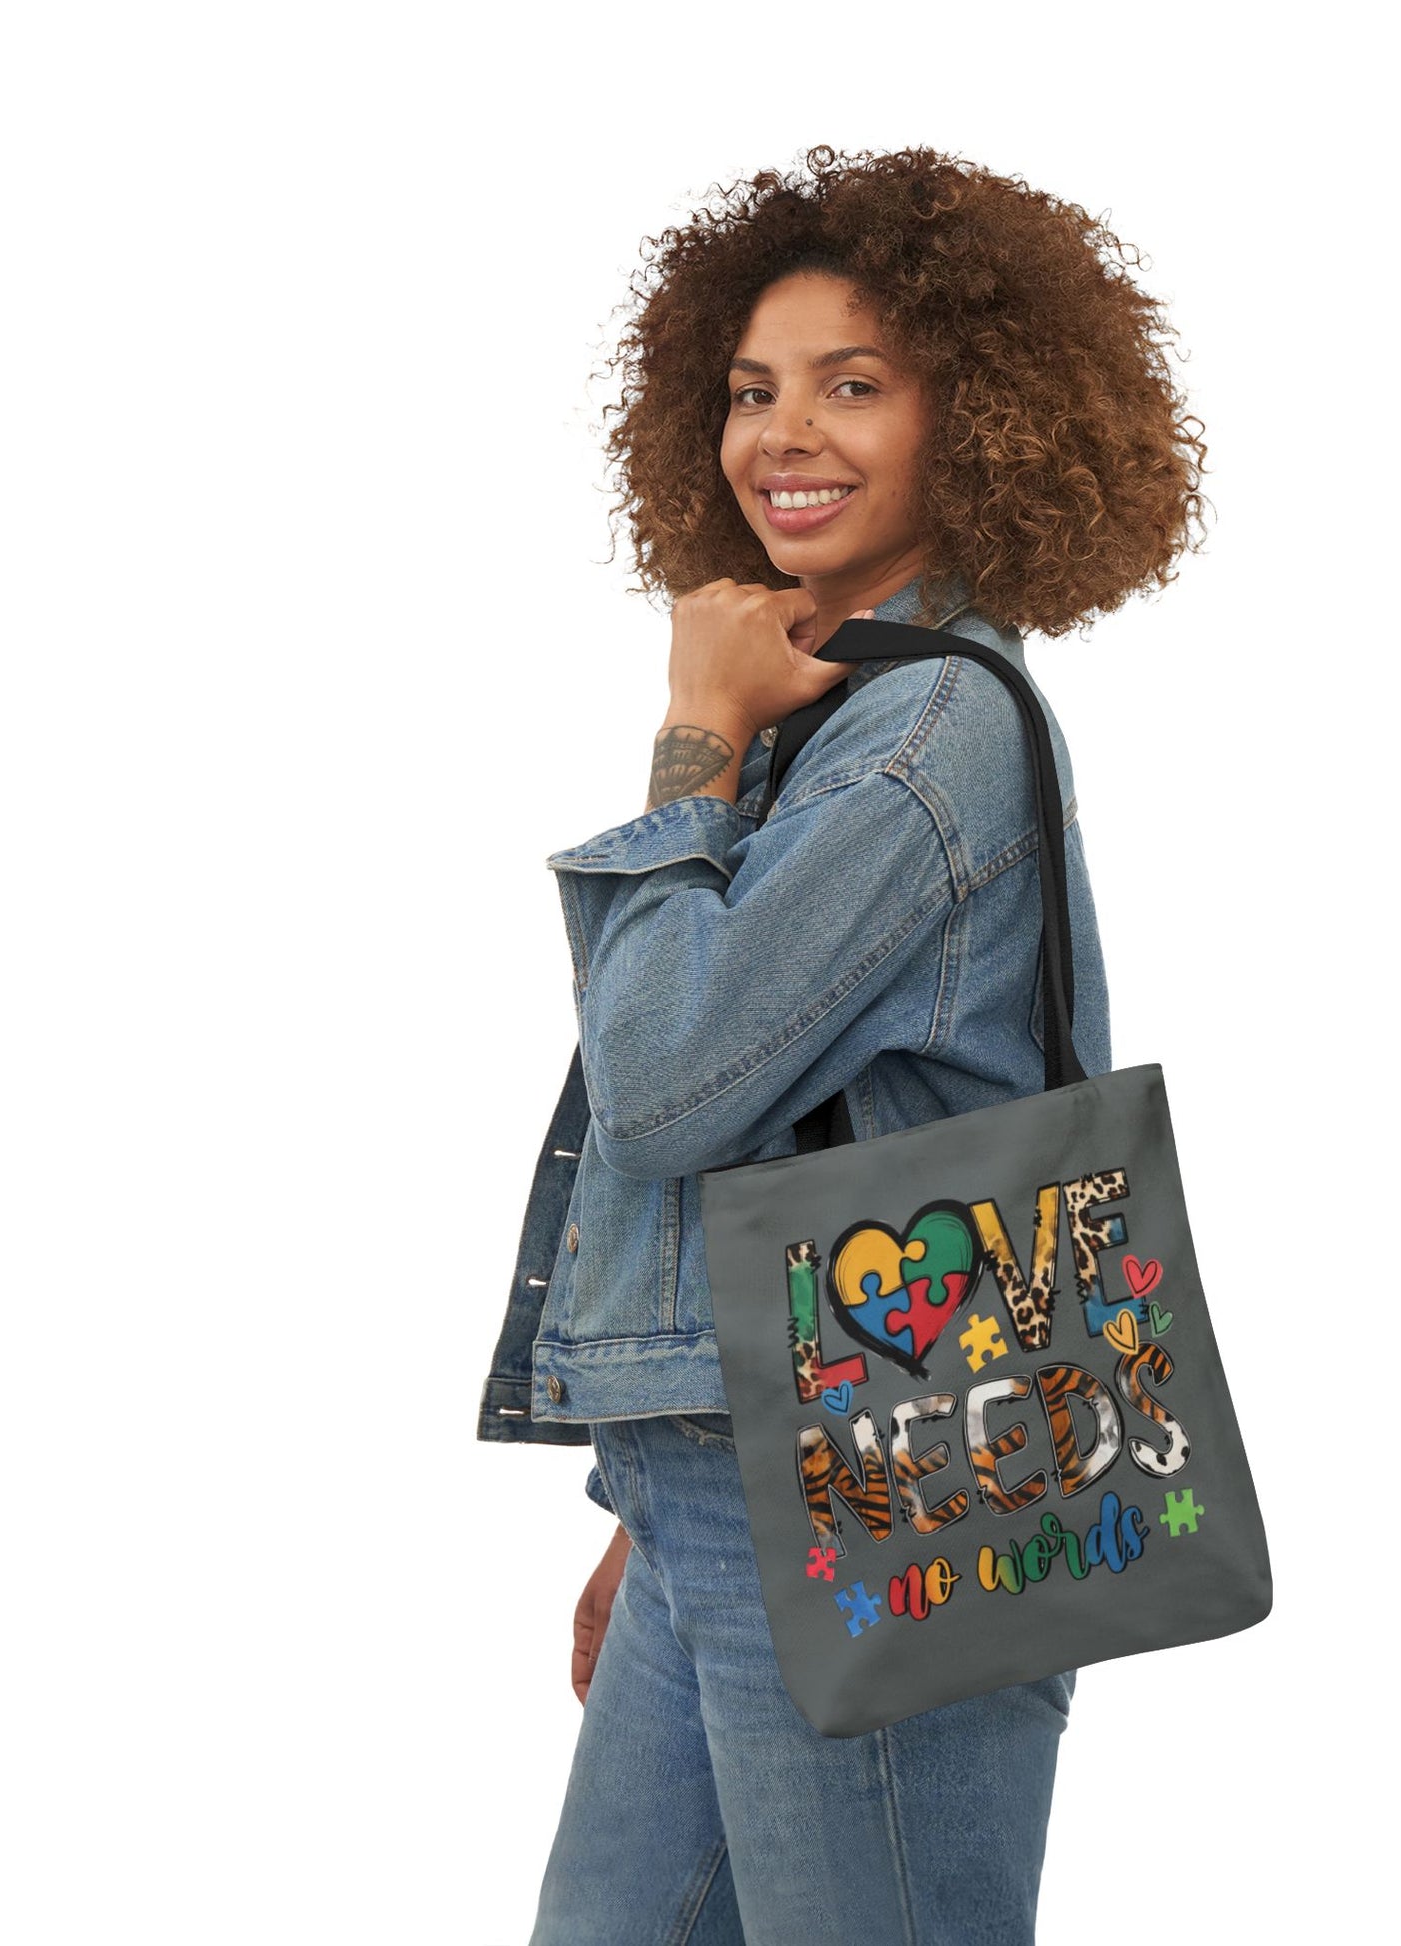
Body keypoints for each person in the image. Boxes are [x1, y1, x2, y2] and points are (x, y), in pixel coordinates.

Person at [475, 144, 1209, 1944]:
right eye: (749, 391)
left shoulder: (923, 731)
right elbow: (773, 1142)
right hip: (733, 1473)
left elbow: (668, 1088)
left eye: (852, 385)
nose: (780, 435)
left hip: (873, 1483)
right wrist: (652, 1499)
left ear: (983, 419)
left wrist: (692, 738)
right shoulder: (848, 707)